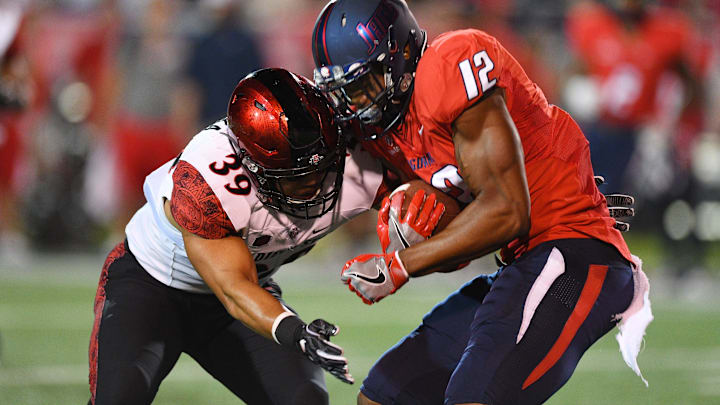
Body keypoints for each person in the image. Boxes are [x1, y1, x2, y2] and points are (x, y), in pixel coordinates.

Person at [311, 1, 651, 404]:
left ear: (400, 56)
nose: (355, 103)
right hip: (523, 261)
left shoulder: (448, 66)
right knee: (382, 397)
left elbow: (507, 211)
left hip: (570, 255)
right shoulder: (386, 132)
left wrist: (401, 265)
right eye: (343, 92)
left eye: (362, 84)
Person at [87, 68, 402, 404]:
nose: (313, 183)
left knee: (304, 399)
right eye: (295, 176)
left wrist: (409, 246)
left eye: (321, 166)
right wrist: (295, 331)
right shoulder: (206, 179)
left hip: (246, 286)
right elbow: (234, 289)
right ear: (251, 166)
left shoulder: (359, 161)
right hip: (152, 286)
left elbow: (432, 200)